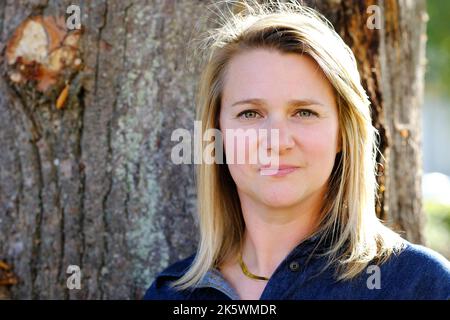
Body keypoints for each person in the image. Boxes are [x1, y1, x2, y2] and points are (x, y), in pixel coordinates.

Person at [144, 0, 450, 300]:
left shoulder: (417, 285)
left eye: (304, 112)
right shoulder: (173, 295)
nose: (276, 141)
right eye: (250, 113)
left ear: (343, 132)